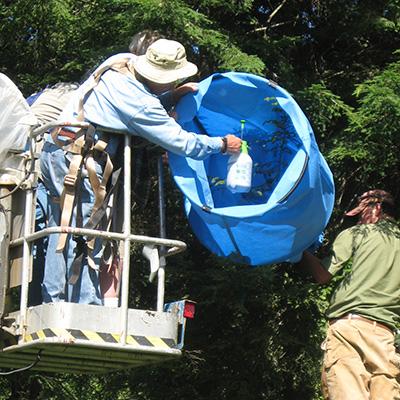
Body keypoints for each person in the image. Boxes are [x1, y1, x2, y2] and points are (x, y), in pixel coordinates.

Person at [40, 38, 242, 305]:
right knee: (86, 236)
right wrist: (222, 145)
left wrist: (171, 96)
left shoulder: (120, 62)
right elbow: (181, 141)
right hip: (79, 160)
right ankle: (84, 309)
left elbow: (133, 98)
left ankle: (54, 300)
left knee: (62, 230)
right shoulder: (141, 105)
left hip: (58, 149)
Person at [296, 189, 400, 399]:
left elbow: (323, 276)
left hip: (349, 331)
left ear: (376, 208)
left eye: (362, 211)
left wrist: (297, 249)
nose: (359, 217)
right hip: (386, 337)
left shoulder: (358, 233)